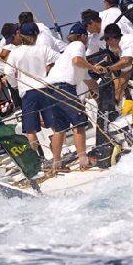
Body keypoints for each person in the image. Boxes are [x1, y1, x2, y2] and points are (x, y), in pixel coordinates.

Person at [46, 22, 106, 173]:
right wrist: (94, 67)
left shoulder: (66, 53)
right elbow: (77, 61)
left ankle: (57, 164)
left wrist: (101, 95)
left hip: (50, 90)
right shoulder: (77, 45)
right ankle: (83, 161)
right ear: (83, 36)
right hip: (64, 89)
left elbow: (88, 80)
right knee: (79, 124)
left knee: (60, 129)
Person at [4, 22, 60, 152]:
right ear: (36, 35)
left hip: (27, 92)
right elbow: (61, 59)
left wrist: (14, 85)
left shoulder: (14, 53)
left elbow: (8, 73)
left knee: (30, 128)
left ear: (21, 35)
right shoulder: (43, 49)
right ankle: (61, 150)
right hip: (44, 88)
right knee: (54, 123)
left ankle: (36, 156)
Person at [101, 23, 133, 102]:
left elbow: (127, 61)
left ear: (112, 38)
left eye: (106, 40)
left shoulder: (127, 40)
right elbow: (124, 75)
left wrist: (108, 69)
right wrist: (117, 96)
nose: (107, 43)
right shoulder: (122, 51)